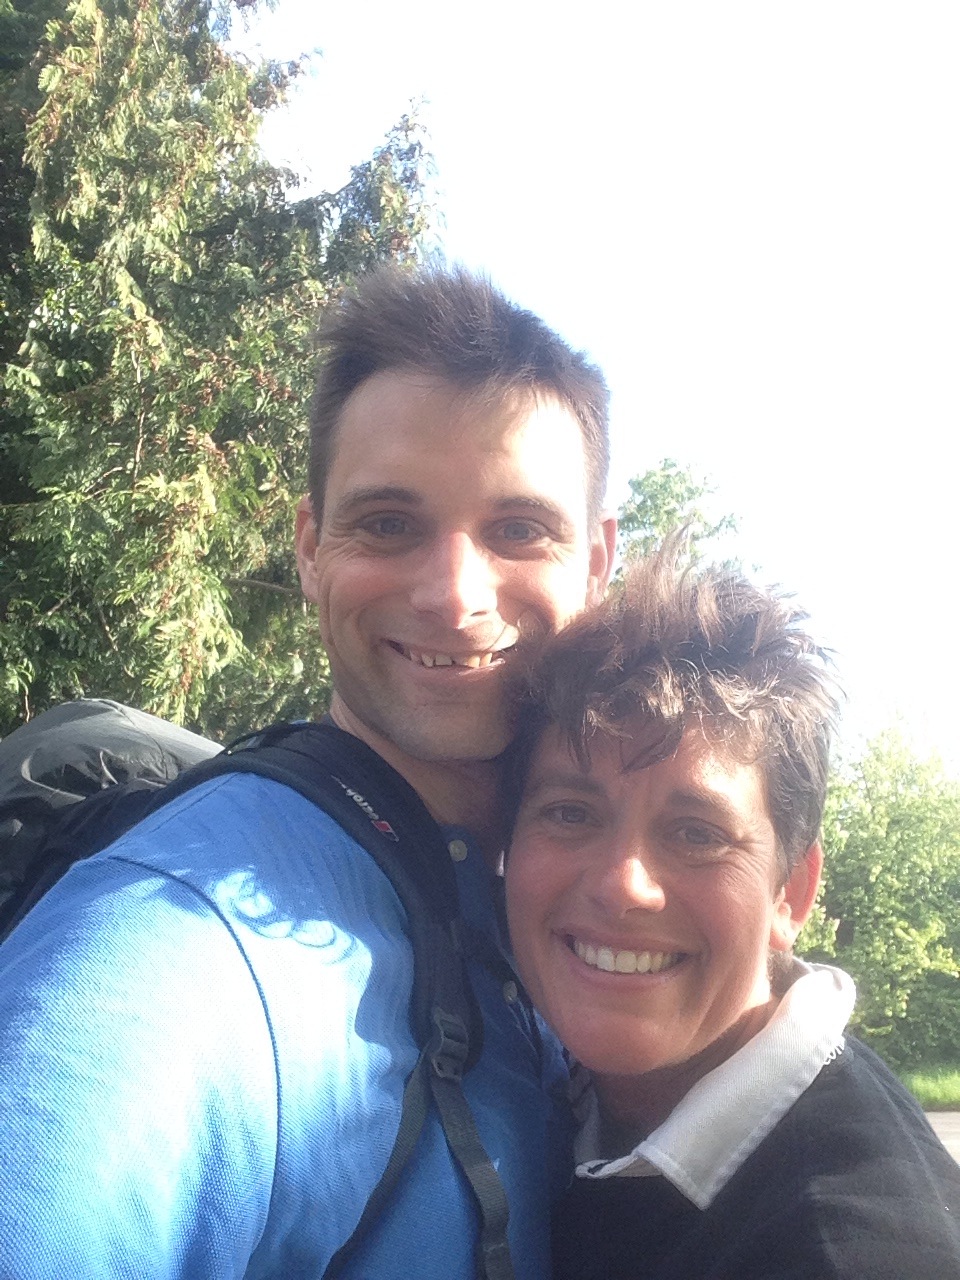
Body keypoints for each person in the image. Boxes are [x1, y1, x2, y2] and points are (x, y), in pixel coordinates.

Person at [0, 265, 617, 1279]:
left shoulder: (545, 922)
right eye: (389, 523)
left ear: (594, 564)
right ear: (308, 548)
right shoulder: (176, 954)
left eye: (519, 529)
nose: (454, 594)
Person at [504, 550, 960, 1280]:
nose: (624, 886)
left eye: (697, 834)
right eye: (569, 813)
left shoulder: (845, 1249)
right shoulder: (559, 1096)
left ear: (791, 894)